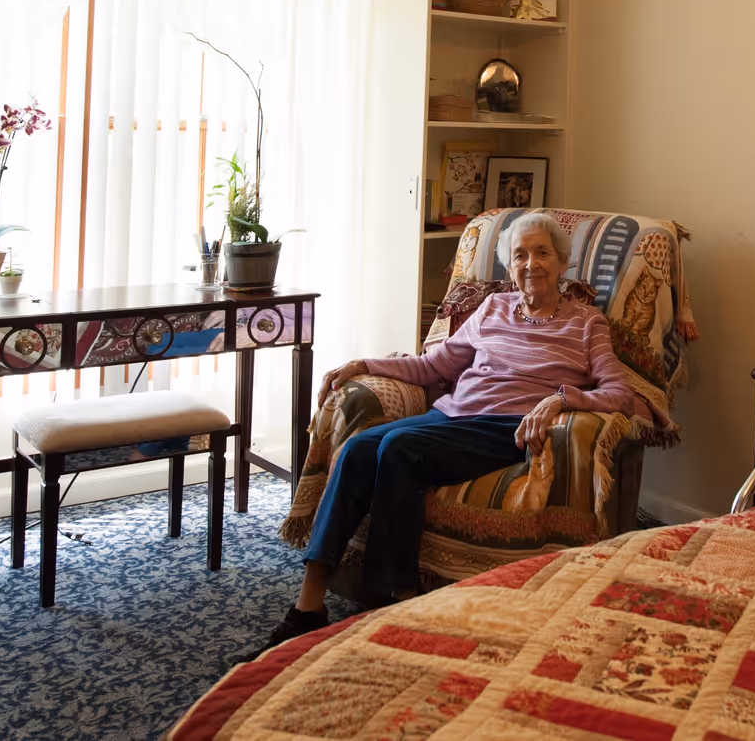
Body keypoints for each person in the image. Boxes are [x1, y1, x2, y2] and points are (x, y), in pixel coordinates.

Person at [266, 211, 642, 647]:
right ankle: (308, 604)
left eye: (542, 253)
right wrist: (363, 364)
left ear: (561, 261)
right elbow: (433, 365)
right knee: (357, 450)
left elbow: (620, 394)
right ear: (509, 266)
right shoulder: (493, 308)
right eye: (520, 255)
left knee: (400, 447)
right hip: (451, 416)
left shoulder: (585, 324)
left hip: (506, 427)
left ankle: (396, 597)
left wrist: (561, 398)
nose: (531, 264)